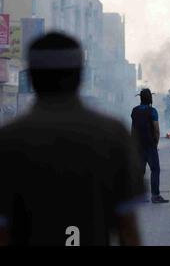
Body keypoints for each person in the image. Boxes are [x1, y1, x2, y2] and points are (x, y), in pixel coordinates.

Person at [0, 33, 144, 246]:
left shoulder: (8, 140)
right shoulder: (113, 135)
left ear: (30, 77)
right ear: (80, 76)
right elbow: (128, 230)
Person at [131, 89, 169, 204]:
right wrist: (155, 143)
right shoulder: (152, 111)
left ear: (141, 98)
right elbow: (156, 130)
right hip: (150, 145)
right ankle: (155, 196)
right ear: (150, 98)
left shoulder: (134, 111)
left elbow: (132, 129)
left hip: (138, 145)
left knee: (139, 171)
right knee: (155, 170)